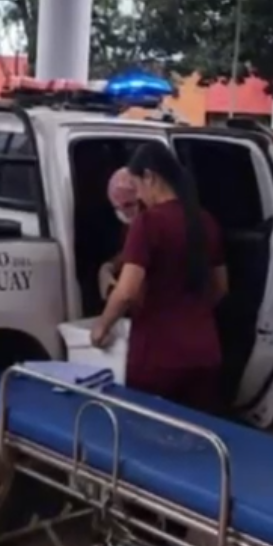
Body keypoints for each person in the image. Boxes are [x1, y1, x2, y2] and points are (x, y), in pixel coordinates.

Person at [90, 143, 228, 413]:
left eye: (138, 185)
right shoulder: (206, 221)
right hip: (204, 352)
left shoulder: (149, 223)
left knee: (149, 441)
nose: (138, 195)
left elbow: (127, 291)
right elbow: (221, 287)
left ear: (150, 177)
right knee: (195, 437)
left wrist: (102, 327)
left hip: (159, 357)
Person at [96, 167, 142, 299]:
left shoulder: (154, 225)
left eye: (128, 205)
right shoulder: (128, 227)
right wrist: (108, 268)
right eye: (117, 207)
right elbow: (129, 253)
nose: (123, 212)